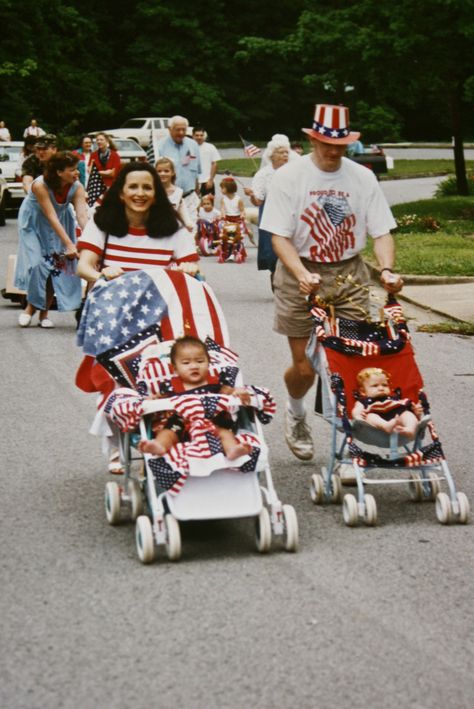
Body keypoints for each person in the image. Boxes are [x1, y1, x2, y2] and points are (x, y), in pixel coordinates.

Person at [259, 102, 402, 461]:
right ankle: (296, 413)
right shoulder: (290, 176)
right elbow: (278, 236)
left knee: (353, 361)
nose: (333, 151)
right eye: (326, 143)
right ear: (312, 140)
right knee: (305, 366)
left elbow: (382, 231)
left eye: (340, 145)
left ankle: (354, 436)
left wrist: (386, 270)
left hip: (348, 272)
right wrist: (301, 273)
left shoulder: (361, 176)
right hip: (299, 270)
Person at [77, 162, 199, 285]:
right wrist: (102, 276)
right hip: (112, 301)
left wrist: (191, 269)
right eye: (133, 187)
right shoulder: (101, 223)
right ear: (121, 194)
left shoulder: (174, 228)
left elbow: (196, 271)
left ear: (155, 194)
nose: (140, 193)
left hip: (158, 302)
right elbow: (83, 267)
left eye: (147, 187)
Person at [138, 336, 252, 461]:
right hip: (181, 423)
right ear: (175, 368)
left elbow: (230, 392)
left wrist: (238, 391)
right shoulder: (170, 386)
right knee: (167, 433)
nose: (194, 366)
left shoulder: (216, 382)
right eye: (186, 363)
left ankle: (232, 449)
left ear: (208, 363)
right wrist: (150, 400)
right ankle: (159, 445)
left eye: (200, 361)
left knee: (226, 433)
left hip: (213, 422)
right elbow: (157, 398)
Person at [14, 151, 88, 328]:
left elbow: (82, 216)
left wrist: (89, 241)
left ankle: (43, 314)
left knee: (56, 265)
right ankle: (30, 309)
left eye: (76, 168)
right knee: (38, 264)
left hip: (61, 222)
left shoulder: (76, 187)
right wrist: (69, 244)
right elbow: (50, 215)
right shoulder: (40, 185)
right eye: (72, 169)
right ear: (59, 172)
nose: (77, 172)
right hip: (34, 222)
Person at [244, 140, 290, 278]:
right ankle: (274, 274)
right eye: (281, 152)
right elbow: (258, 201)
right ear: (271, 155)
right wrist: (252, 194)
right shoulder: (263, 174)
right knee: (272, 250)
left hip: (289, 213)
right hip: (270, 214)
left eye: (287, 152)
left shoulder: (293, 171)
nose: (285, 155)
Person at [352, 367, 421, 439]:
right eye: (375, 386)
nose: (381, 388)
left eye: (385, 385)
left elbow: (405, 407)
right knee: (370, 417)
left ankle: (410, 429)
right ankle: (386, 426)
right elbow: (356, 411)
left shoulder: (393, 398)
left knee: (407, 414)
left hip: (397, 419)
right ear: (362, 391)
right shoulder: (363, 401)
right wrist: (358, 415)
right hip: (376, 426)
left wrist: (416, 412)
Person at [157, 115, 201, 226]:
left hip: (189, 197)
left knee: (191, 231)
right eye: (178, 129)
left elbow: (196, 172)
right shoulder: (159, 146)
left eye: (184, 129)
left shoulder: (193, 145)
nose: (181, 133)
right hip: (169, 199)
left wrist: (197, 193)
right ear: (169, 129)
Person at [155, 156, 193, 231]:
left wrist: (188, 223)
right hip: (156, 226)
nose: (162, 174)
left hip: (173, 227)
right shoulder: (152, 190)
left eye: (166, 171)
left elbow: (182, 209)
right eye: (159, 171)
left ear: (172, 173)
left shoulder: (178, 192)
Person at [219, 177, 249, 261]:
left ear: (228, 188)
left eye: (222, 188)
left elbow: (242, 210)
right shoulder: (223, 199)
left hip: (237, 219)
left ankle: (236, 251)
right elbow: (223, 209)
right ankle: (226, 251)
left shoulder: (238, 199)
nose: (221, 190)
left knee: (237, 235)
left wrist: (242, 215)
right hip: (227, 219)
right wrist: (222, 215)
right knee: (224, 233)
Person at [192, 127, 221, 196]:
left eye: (201, 135)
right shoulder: (189, 147)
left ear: (204, 136)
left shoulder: (210, 147)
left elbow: (214, 164)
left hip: (207, 181)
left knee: (208, 205)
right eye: (197, 135)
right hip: (193, 183)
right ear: (193, 136)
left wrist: (211, 180)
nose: (199, 137)